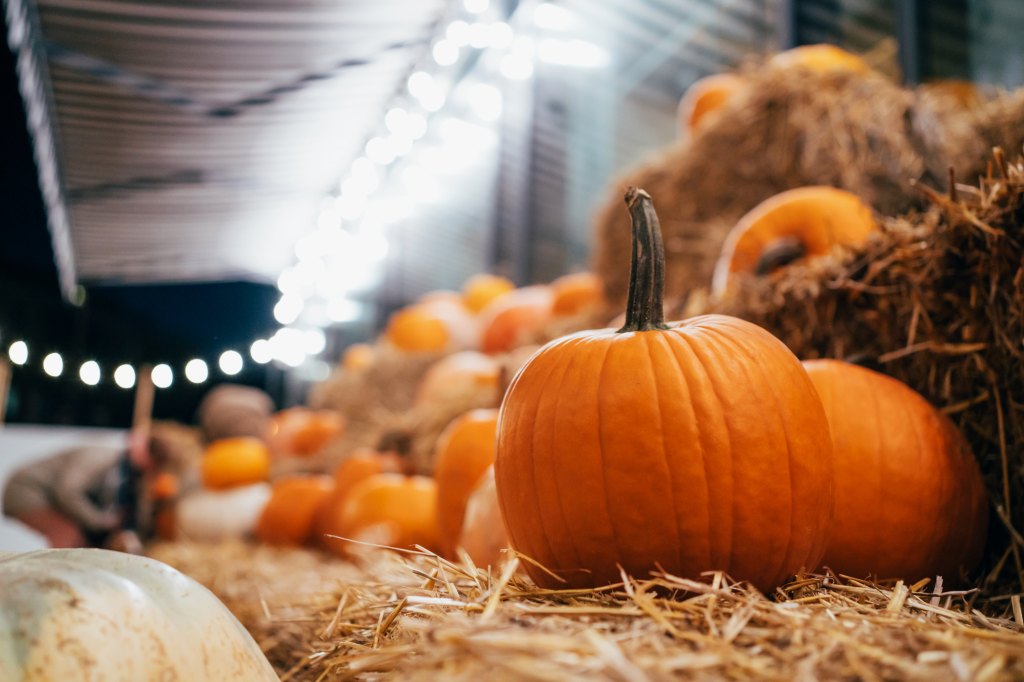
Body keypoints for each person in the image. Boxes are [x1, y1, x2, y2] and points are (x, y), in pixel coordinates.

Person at [1, 424, 196, 551]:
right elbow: (67, 491)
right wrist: (99, 522)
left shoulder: (128, 476)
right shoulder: (103, 457)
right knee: (69, 539)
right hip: (28, 490)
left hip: (49, 495)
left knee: (79, 545)